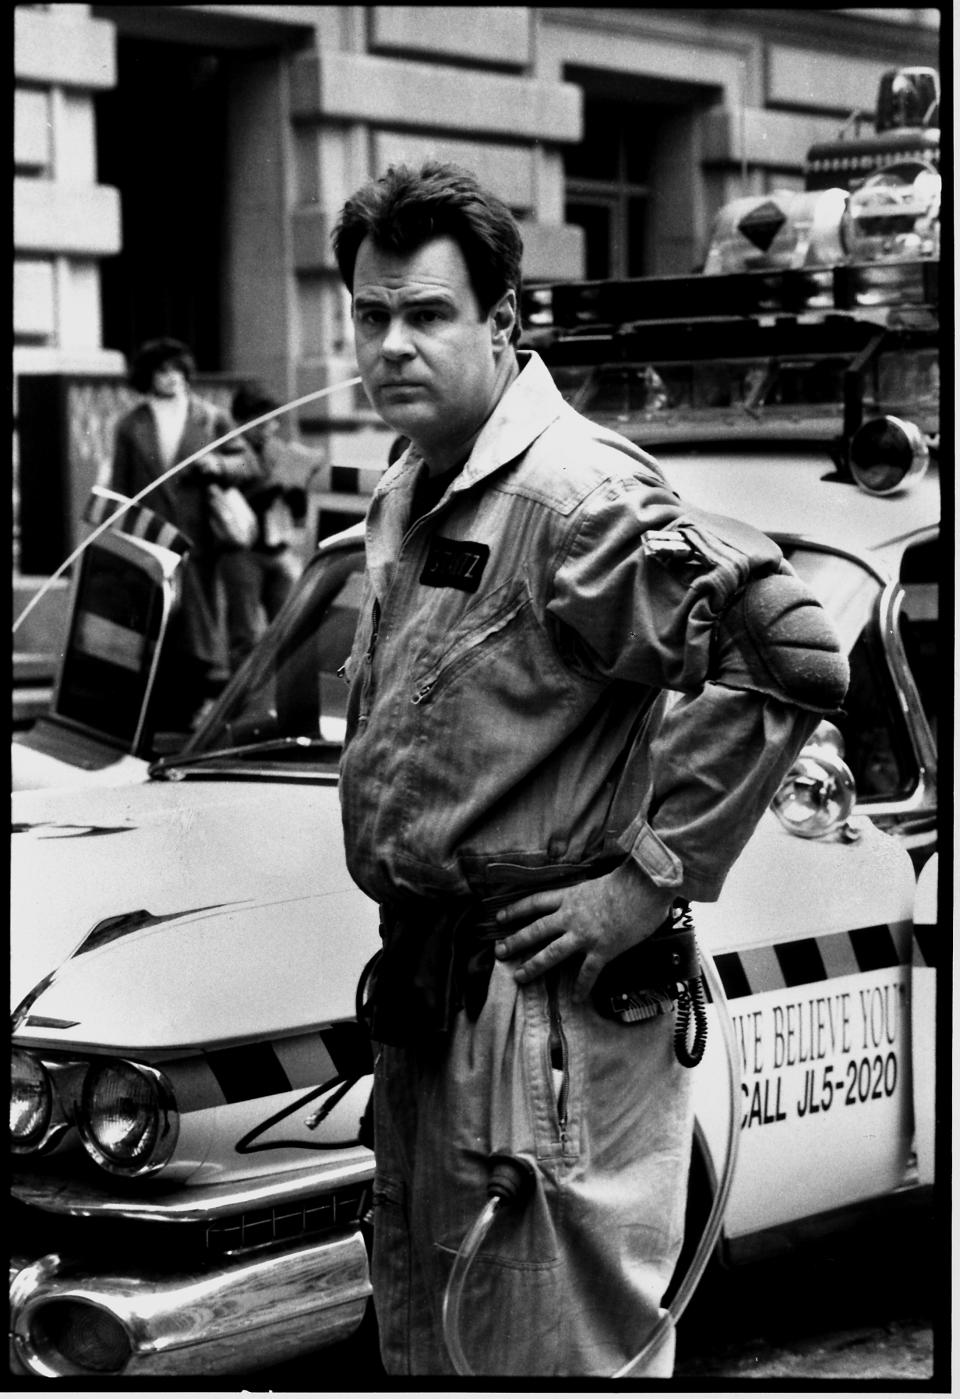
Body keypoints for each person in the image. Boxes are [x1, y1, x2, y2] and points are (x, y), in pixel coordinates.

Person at [332, 163, 849, 1378]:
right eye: (369, 315)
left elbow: (793, 656)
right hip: (436, 997)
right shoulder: (416, 487)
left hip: (543, 1021)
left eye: (427, 314)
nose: (391, 344)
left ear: (504, 321)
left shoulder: (576, 493)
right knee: (443, 1348)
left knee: (552, 1357)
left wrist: (646, 878)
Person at [109, 337, 257, 730]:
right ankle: (162, 713)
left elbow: (248, 463)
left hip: (199, 539)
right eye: (161, 372)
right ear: (147, 377)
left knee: (196, 622)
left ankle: (193, 706)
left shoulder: (209, 417)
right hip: (151, 538)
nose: (170, 378)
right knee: (159, 622)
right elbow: (122, 489)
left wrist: (216, 465)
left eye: (176, 370)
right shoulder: (130, 424)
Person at [218, 383, 307, 671]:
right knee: (244, 635)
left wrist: (296, 490)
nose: (272, 426)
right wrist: (274, 485)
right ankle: (240, 705)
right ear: (244, 420)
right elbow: (233, 498)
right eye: (265, 419)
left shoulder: (279, 450)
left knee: (287, 629)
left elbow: (298, 509)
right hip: (243, 551)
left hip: (278, 547)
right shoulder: (230, 450)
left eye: (274, 419)